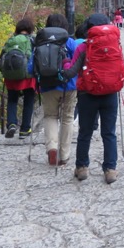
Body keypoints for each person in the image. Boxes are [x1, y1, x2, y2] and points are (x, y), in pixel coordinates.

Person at [62, 13, 124, 184]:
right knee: (109, 133)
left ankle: (82, 168)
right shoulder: (116, 44)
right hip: (111, 94)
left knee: (85, 132)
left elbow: (70, 73)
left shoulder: (84, 47)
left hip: (87, 95)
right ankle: (110, 169)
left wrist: (66, 62)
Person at [37, 13, 78, 167]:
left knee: (50, 116)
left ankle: (52, 148)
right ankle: (64, 155)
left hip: (47, 85)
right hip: (68, 85)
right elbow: (79, 62)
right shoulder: (71, 43)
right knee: (67, 118)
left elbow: (30, 67)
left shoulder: (40, 42)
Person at [2, 18, 37, 139]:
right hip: (28, 75)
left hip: (11, 76)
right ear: (30, 29)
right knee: (29, 101)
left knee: (12, 100)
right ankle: (25, 129)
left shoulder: (11, 40)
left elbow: (1, 57)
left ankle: (11, 123)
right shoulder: (32, 40)